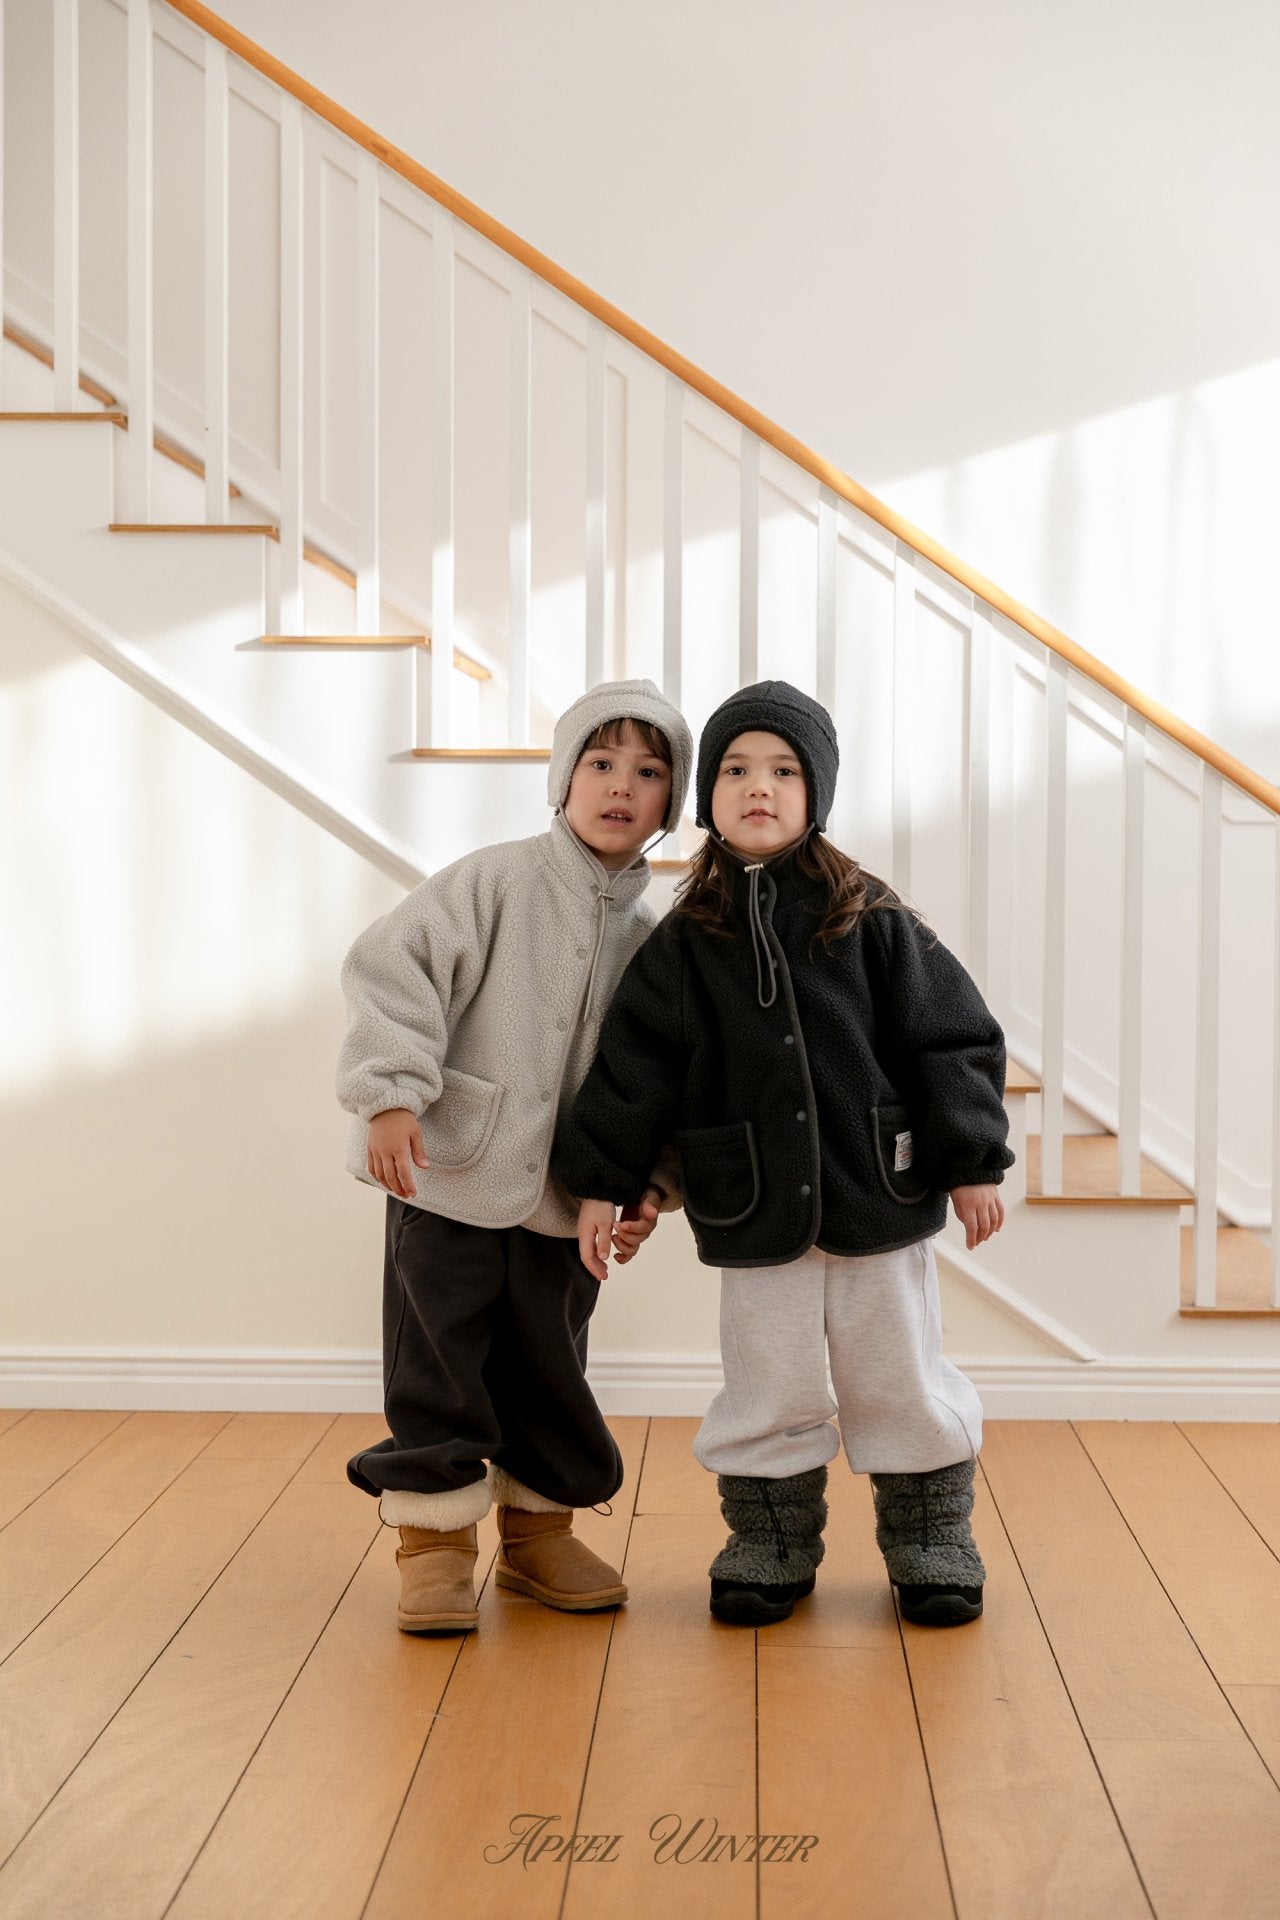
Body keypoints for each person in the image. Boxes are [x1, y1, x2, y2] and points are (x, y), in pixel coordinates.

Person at [553, 680, 1012, 1629]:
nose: (758, 786)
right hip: (751, 1207)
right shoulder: (686, 943)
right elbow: (635, 1072)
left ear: (818, 795)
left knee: (900, 1376)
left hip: (878, 1198)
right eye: (734, 770)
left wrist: (971, 1158)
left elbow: (951, 1038)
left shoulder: (871, 918)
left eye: (783, 771)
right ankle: (769, 1540)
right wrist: (606, 1181)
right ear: (706, 798)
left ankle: (931, 1537)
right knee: (768, 1385)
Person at [337, 679, 692, 1632]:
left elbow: (665, 1075)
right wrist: (389, 1095)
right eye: (601, 762)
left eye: (648, 773)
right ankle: (435, 1545)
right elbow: (393, 967)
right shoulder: (493, 882)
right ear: (563, 777)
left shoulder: (653, 940)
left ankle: (538, 1535)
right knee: (438, 1361)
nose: (620, 786)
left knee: (550, 1365)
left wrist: (648, 1184)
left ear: (671, 800)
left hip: (569, 1199)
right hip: (445, 1171)